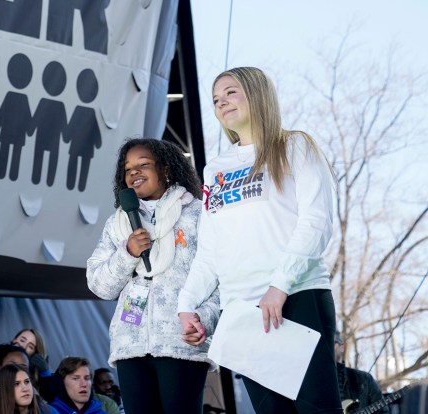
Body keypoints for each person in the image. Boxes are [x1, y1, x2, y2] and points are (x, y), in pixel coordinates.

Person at [178, 67, 342, 414]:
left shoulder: (294, 145)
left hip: (297, 296)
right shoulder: (215, 170)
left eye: (230, 92)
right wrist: (187, 304)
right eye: (215, 99)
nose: (222, 102)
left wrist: (279, 286)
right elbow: (210, 249)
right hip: (243, 313)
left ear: (257, 94)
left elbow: (317, 222)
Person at [86, 137, 217, 414]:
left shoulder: (197, 214)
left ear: (166, 169)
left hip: (181, 342)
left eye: (143, 164)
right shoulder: (119, 223)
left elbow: (219, 277)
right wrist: (127, 253)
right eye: (128, 168)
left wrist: (204, 318)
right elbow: (100, 285)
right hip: (130, 346)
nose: (134, 172)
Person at [335, 332, 382, 413]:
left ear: (341, 347)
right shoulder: (312, 381)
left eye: (330, 342)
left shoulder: (364, 379)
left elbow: (383, 411)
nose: (326, 348)